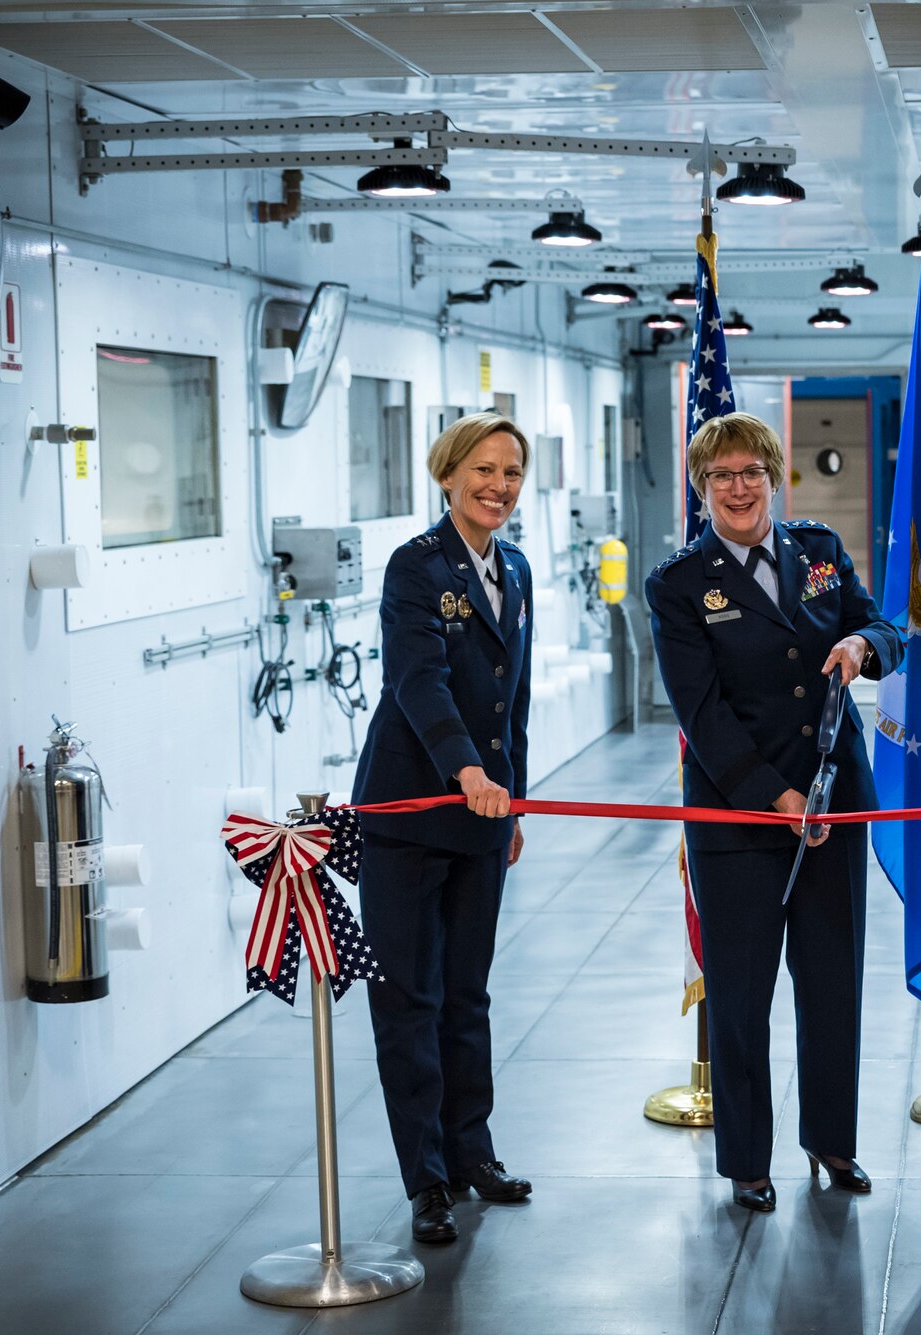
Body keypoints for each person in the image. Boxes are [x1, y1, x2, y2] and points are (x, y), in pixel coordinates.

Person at [647, 411, 904, 1214]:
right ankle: (748, 1162)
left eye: (751, 470)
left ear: (773, 474)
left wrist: (865, 648)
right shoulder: (679, 583)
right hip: (739, 814)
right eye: (720, 475)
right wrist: (773, 794)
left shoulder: (819, 551)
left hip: (835, 802)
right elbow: (701, 711)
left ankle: (832, 1142)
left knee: (832, 980)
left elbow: (885, 625)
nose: (738, 485)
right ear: (702, 487)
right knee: (741, 990)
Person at [349, 412, 535, 1246]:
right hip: (411, 814)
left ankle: (473, 1152)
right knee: (409, 999)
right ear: (450, 473)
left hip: (484, 817)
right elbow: (418, 684)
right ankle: (426, 1177)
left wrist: (512, 798)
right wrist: (468, 772)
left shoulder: (517, 569)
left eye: (512, 473)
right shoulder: (414, 567)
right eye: (485, 470)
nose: (498, 486)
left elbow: (509, 700)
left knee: (467, 993)